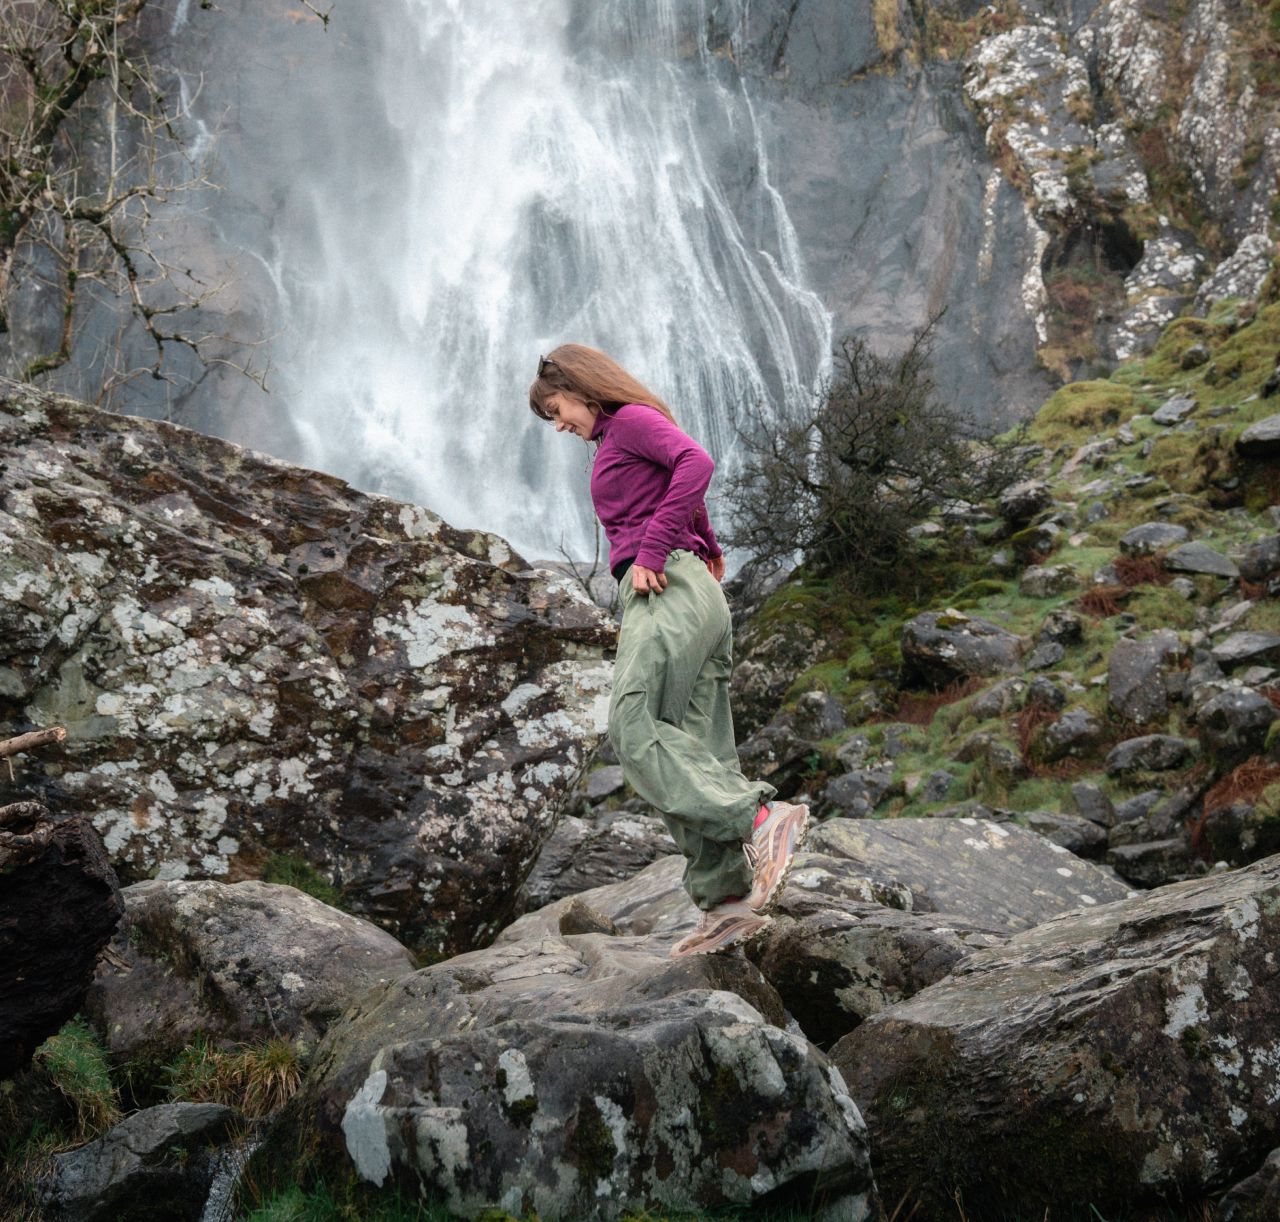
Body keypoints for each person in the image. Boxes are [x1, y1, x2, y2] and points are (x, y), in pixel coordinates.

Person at [528, 343, 809, 957]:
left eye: (556, 409)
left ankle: (761, 822)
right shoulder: (621, 435)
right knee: (693, 744)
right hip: (692, 586)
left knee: (632, 726)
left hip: (664, 587)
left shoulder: (626, 421)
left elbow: (694, 461)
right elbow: (679, 484)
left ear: (580, 387)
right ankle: (728, 903)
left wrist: (655, 552)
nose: (558, 425)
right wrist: (704, 541)